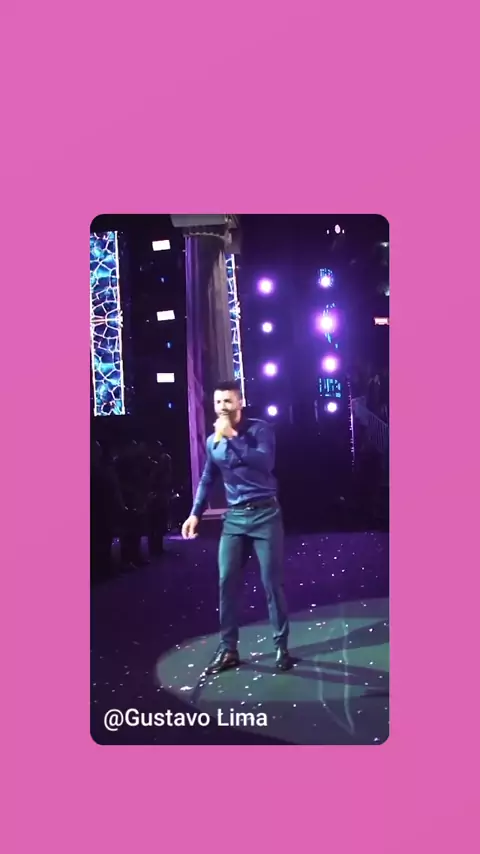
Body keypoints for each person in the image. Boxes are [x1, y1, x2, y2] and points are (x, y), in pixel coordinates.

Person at [181, 380, 292, 674]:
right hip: (235, 519)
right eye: (218, 402)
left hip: (265, 515)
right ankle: (228, 649)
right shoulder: (213, 441)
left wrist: (233, 437)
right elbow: (208, 478)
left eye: (228, 401)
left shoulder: (260, 430)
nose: (222, 407)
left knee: (272, 584)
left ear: (240, 402)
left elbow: (264, 462)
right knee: (226, 581)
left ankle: (281, 646)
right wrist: (195, 514)